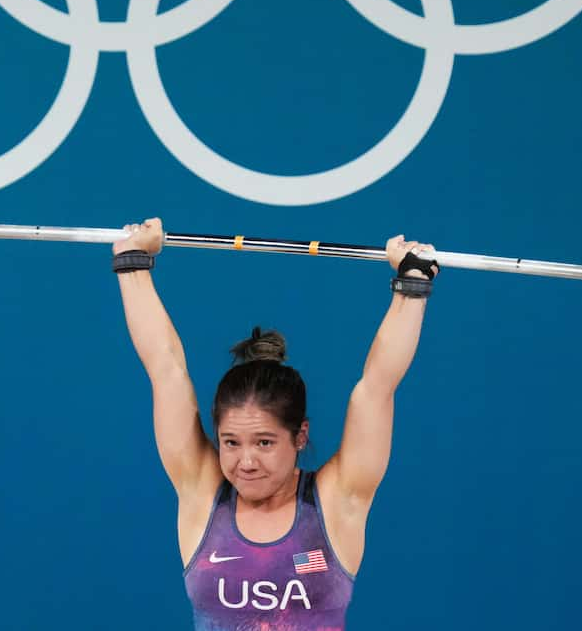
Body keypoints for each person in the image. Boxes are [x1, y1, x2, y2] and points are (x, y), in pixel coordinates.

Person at [113, 218, 437, 631]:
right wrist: (132, 263)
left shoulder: (339, 500)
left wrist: (412, 281)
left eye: (264, 443)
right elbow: (165, 370)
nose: (244, 462)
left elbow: (377, 388)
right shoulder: (200, 491)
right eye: (231, 442)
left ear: (299, 435)